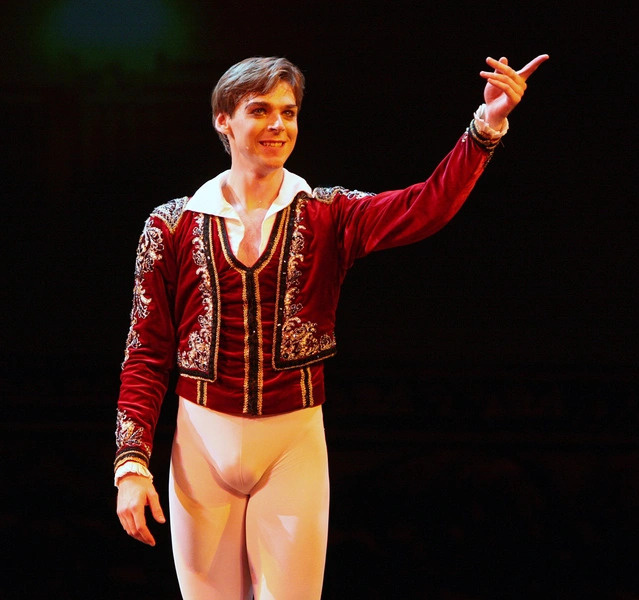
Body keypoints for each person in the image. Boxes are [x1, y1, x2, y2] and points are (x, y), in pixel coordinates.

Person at [115, 53, 548, 599]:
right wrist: (131, 464)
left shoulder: (328, 214)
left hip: (291, 445)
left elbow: (424, 207)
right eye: (260, 110)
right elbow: (147, 352)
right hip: (200, 444)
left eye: (289, 112)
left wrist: (486, 126)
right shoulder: (171, 225)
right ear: (224, 120)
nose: (278, 124)